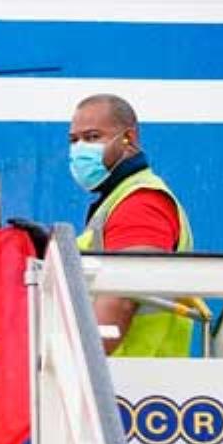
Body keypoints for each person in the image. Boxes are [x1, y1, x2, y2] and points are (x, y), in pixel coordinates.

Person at [68, 93, 194, 357]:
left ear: (129, 139)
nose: (79, 148)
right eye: (74, 140)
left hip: (128, 383)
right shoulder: (118, 200)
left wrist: (75, 363)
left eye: (92, 137)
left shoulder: (139, 204)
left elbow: (122, 298)